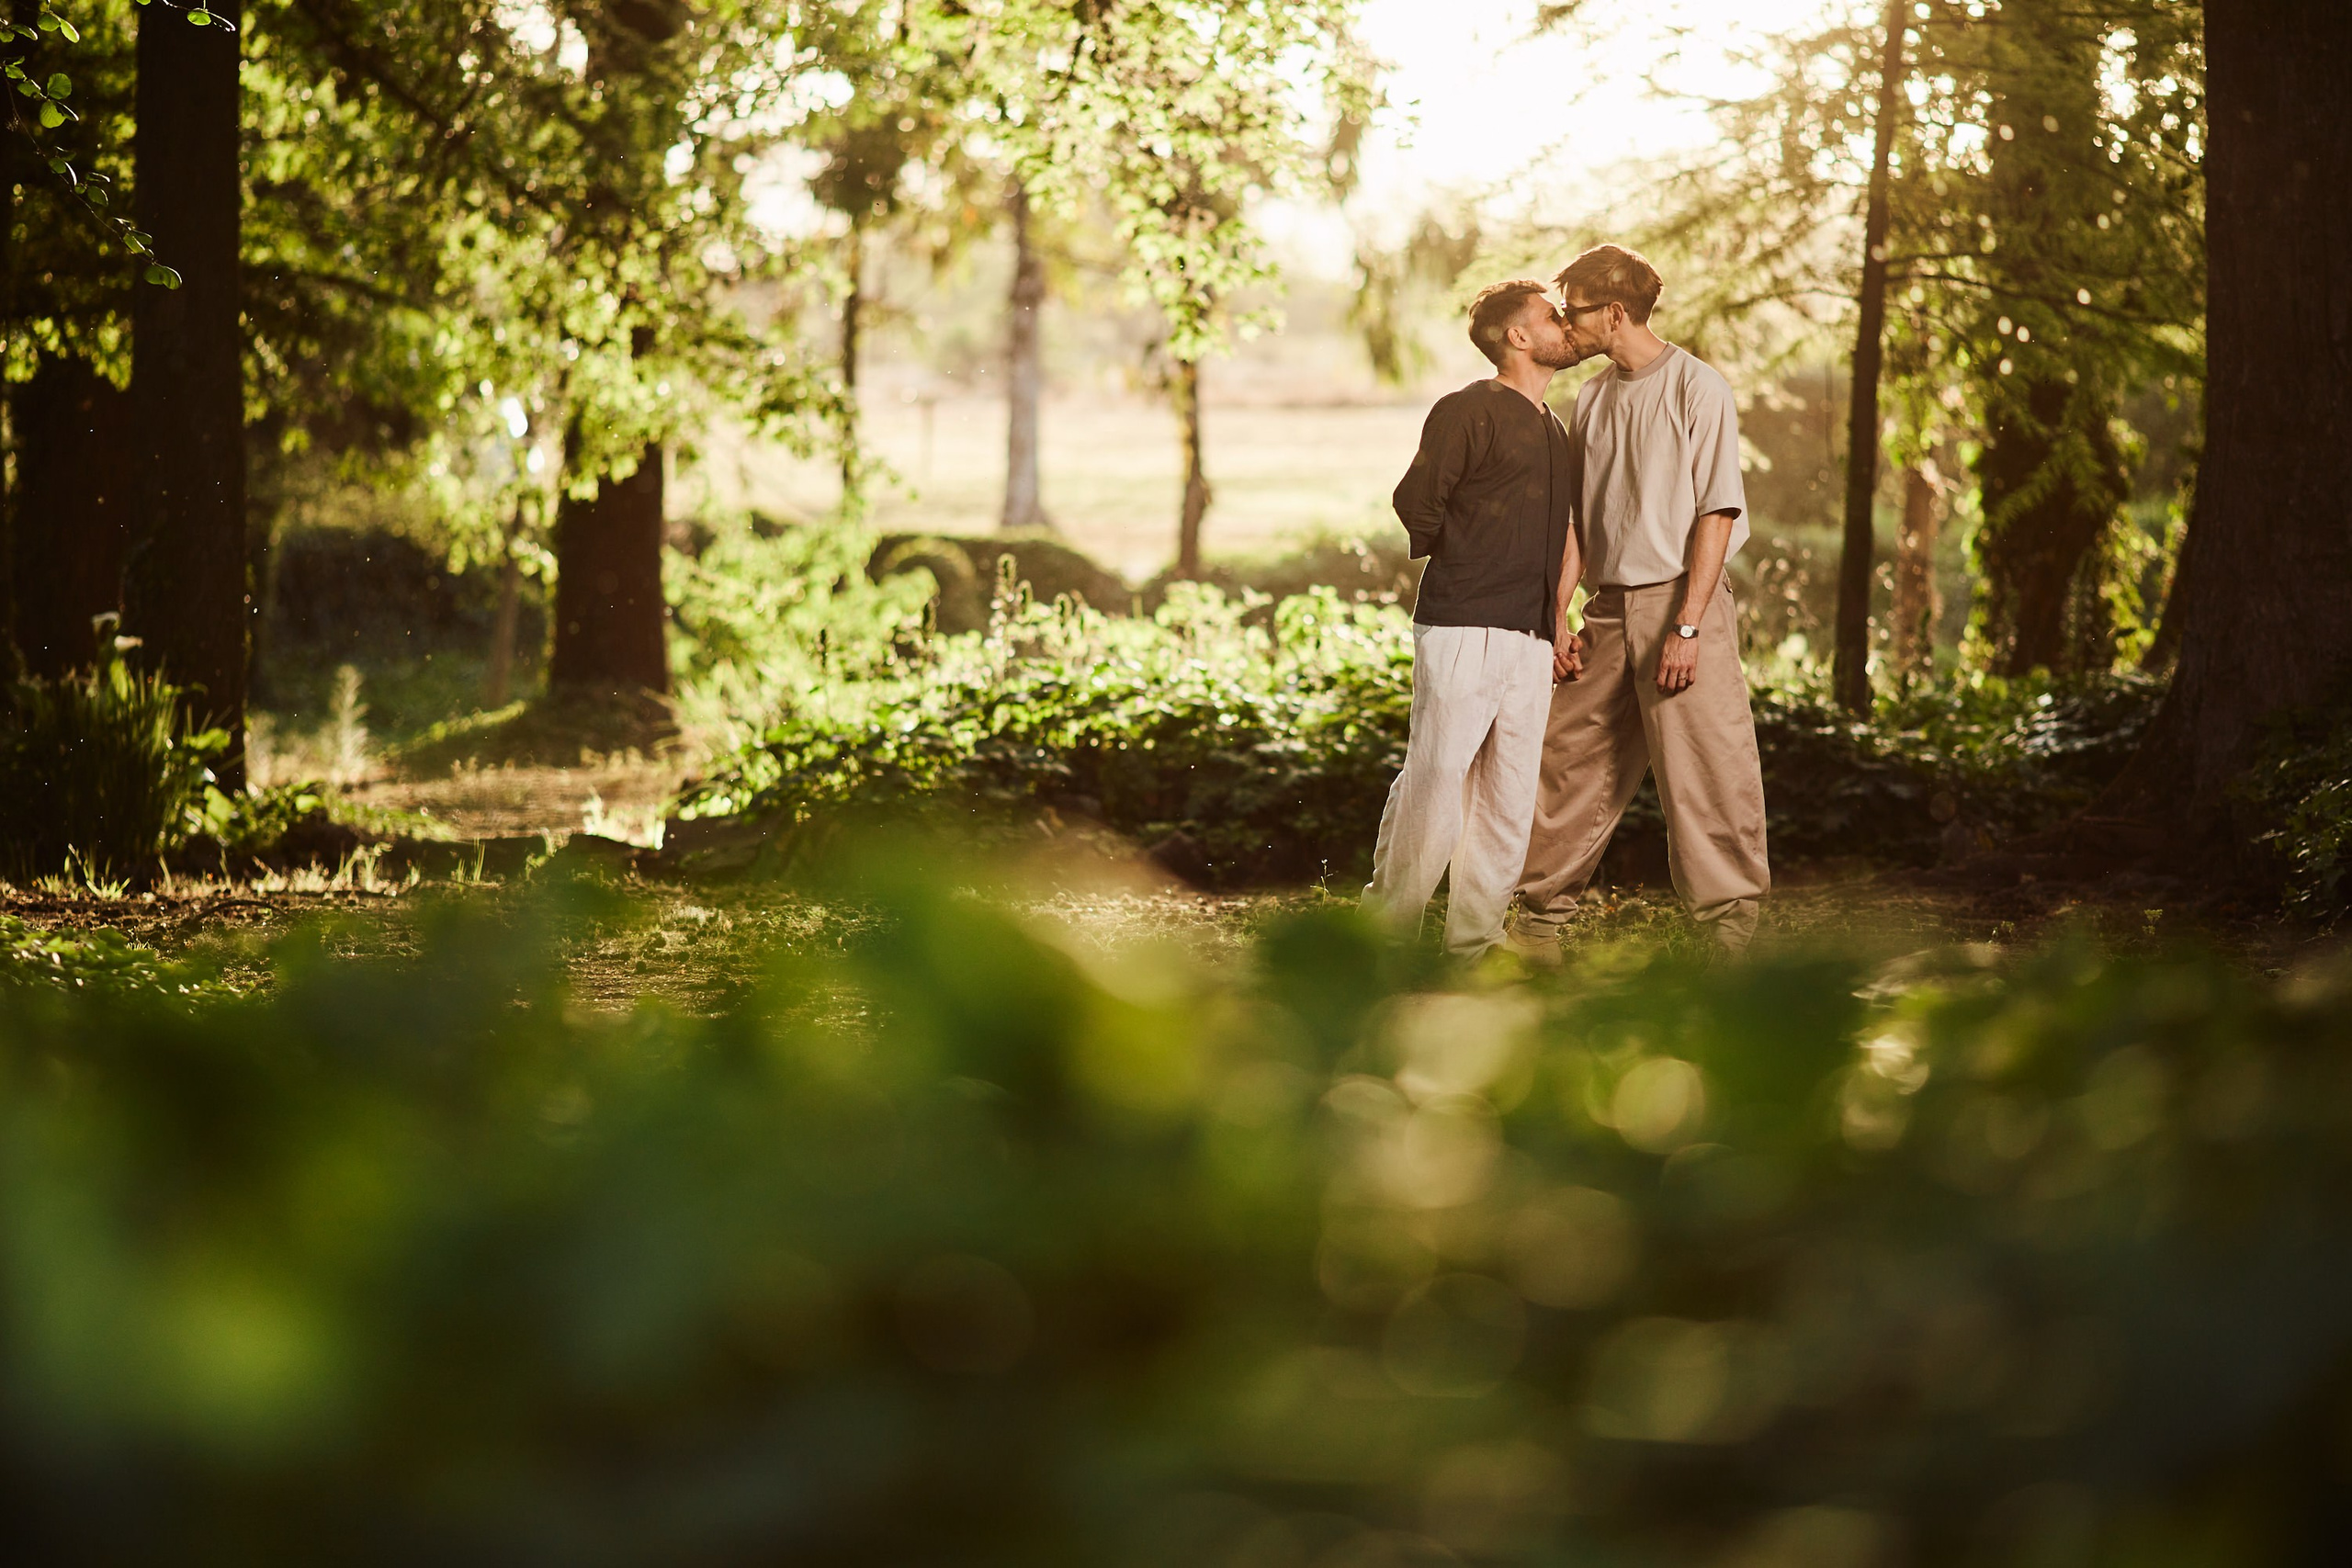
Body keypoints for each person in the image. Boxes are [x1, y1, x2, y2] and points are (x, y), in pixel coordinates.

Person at [1514, 244, 1770, 952]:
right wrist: (1561, 616)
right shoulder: (1591, 397)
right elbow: (1577, 525)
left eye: (1575, 310)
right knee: (1566, 762)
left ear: (1615, 312)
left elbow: (1718, 511)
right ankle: (1538, 928)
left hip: (1681, 606)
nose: (1566, 323)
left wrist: (1688, 627)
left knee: (1707, 769)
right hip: (1606, 610)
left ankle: (1731, 941)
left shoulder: (1698, 387)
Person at [1363, 279, 1582, 955]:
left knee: (1508, 801)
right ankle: (1382, 942)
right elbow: (1417, 502)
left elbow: (1564, 532)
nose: (1564, 322)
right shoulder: (1467, 410)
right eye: (1552, 315)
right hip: (1461, 627)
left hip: (1530, 640)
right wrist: (1469, 562)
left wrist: (1557, 620)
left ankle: (1475, 949)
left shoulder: (1554, 428)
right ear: (1518, 337)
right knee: (1436, 781)